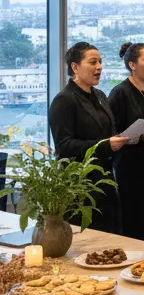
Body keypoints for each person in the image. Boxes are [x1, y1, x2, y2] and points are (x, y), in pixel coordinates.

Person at [48, 42, 127, 234]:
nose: (99, 67)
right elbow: (64, 146)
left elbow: (108, 132)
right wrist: (105, 145)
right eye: (93, 62)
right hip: (80, 185)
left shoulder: (99, 95)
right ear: (75, 67)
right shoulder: (63, 100)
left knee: (111, 240)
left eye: (100, 62)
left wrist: (119, 139)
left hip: (105, 179)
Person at [108, 42, 144, 241]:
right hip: (130, 166)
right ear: (133, 65)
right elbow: (112, 133)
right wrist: (143, 137)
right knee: (134, 222)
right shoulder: (120, 93)